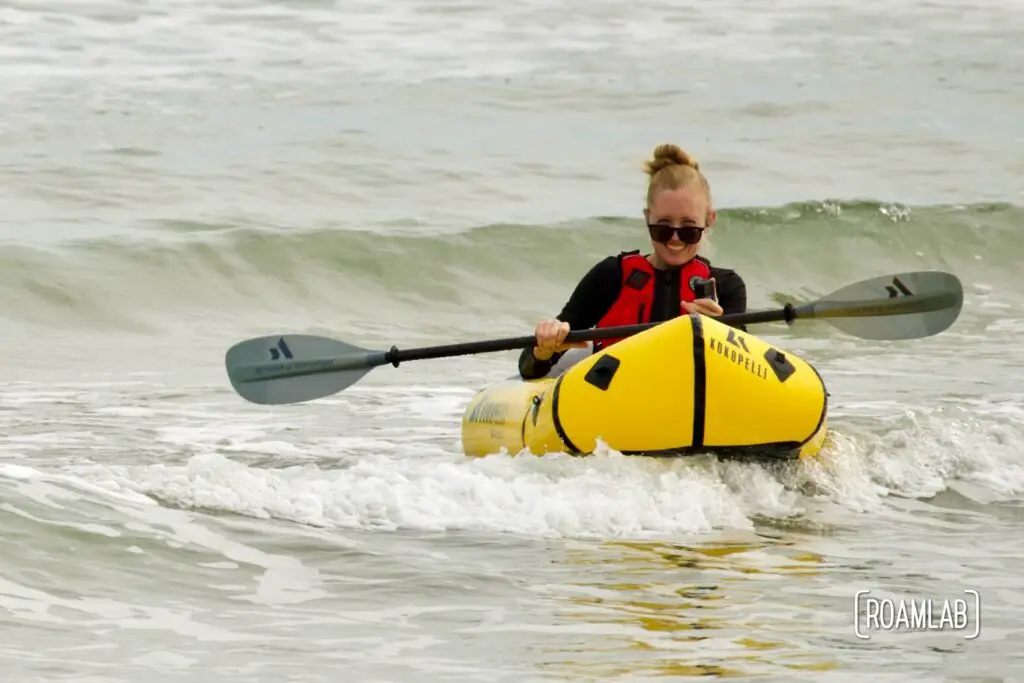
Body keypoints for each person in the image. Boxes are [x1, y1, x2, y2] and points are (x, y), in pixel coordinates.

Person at [518, 142, 748, 380]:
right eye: (663, 226)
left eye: (689, 228)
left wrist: (720, 333)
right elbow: (528, 368)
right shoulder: (610, 276)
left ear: (708, 220)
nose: (675, 238)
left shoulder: (727, 287)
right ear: (647, 217)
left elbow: (740, 375)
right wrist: (543, 349)